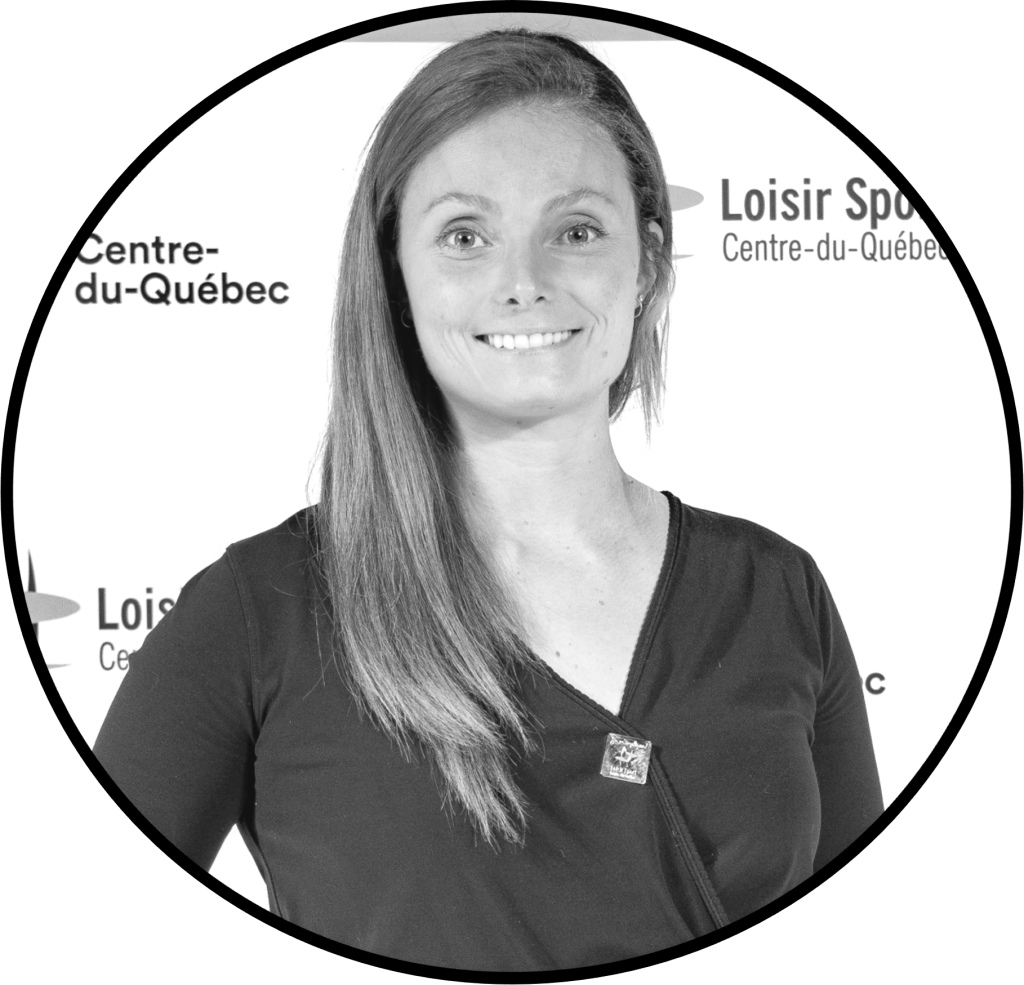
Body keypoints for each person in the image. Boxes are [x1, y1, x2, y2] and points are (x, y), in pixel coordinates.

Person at [93, 28, 884, 970]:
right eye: (465, 237)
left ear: (647, 263)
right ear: (394, 276)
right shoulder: (260, 613)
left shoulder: (780, 594)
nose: (524, 283)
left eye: (576, 231)